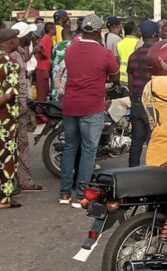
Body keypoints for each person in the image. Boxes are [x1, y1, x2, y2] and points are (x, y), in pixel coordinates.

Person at [59, 15, 119, 207]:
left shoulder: (71, 48)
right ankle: (80, 195)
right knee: (88, 150)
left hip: (70, 104)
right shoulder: (103, 53)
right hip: (92, 106)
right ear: (98, 31)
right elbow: (115, 74)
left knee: (70, 147)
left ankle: (64, 193)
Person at [10, 22, 44, 193]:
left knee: (20, 145)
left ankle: (22, 180)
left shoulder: (18, 53)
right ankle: (18, 181)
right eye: (30, 34)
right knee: (16, 146)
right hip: (14, 108)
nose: (33, 36)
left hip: (20, 107)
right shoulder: (13, 56)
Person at [126, 21, 159, 167]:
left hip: (138, 102)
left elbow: (130, 82)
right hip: (155, 102)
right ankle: (153, 172)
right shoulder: (158, 55)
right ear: (156, 35)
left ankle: (132, 172)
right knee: (154, 141)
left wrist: (134, 101)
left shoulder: (133, 56)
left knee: (136, 142)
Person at [0, 28, 22, 208]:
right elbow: (8, 96)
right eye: (16, 38)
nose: (18, 40)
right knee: (7, 157)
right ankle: (4, 199)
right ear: (10, 41)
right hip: (5, 119)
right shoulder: (10, 64)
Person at [36, 21, 55, 102]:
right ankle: (39, 112)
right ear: (51, 30)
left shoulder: (48, 38)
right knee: (42, 93)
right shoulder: (46, 38)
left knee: (45, 91)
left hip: (45, 68)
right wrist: (46, 57)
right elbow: (39, 47)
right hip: (42, 68)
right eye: (54, 29)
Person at [116, 21, 140, 85]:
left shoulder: (119, 43)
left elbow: (118, 60)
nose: (139, 31)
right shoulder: (138, 42)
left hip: (121, 77)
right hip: (133, 76)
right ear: (133, 31)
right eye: (137, 29)